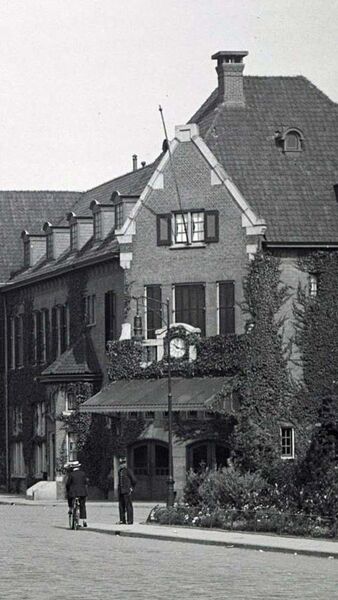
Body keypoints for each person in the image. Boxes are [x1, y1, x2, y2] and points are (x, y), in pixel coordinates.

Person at [65, 460, 88, 528]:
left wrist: (67, 490)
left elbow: (68, 484)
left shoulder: (71, 474)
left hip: (73, 493)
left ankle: (70, 508)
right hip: (82, 493)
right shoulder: (83, 473)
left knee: (70, 499)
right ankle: (84, 520)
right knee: (82, 506)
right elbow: (85, 482)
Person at [117, 457, 136, 525]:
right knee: (121, 506)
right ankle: (122, 520)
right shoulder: (119, 471)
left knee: (128, 506)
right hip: (121, 491)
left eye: (123, 463)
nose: (122, 465)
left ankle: (130, 520)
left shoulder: (128, 471)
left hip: (127, 490)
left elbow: (134, 480)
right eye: (121, 463)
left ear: (125, 463)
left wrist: (131, 487)